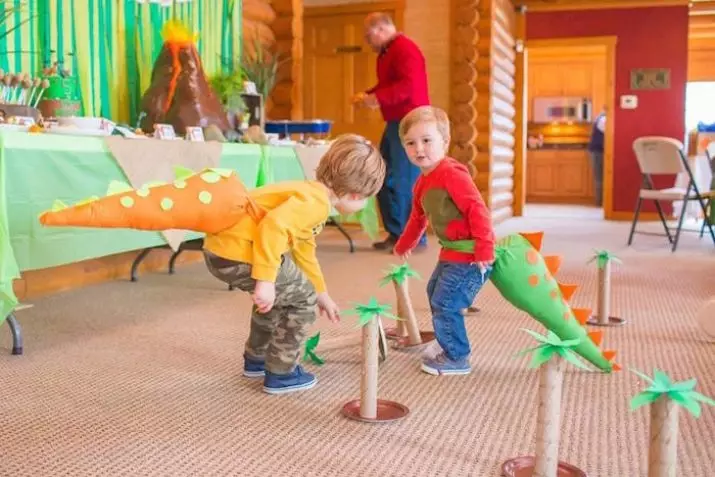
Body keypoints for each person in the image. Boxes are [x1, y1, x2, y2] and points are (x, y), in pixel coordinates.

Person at [203, 134, 386, 394]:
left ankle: (258, 358)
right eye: (366, 198)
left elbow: (304, 250)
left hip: (223, 250)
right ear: (354, 193)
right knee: (302, 300)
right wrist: (266, 281)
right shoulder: (316, 204)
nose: (364, 204)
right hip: (237, 252)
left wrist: (321, 292)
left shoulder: (309, 193)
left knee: (289, 293)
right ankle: (282, 372)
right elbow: (273, 226)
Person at [393, 106, 495, 376]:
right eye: (411, 143)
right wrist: (405, 244)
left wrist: (485, 248)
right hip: (451, 253)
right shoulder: (421, 183)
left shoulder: (452, 173)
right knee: (433, 291)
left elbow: (477, 209)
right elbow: (418, 219)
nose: (419, 149)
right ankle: (447, 340)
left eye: (427, 140)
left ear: (445, 142)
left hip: (472, 256)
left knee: (446, 301)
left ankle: (456, 356)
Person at [354, 12, 430, 253]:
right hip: (395, 121)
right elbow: (388, 85)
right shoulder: (386, 54)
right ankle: (396, 232)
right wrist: (368, 95)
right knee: (382, 176)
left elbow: (408, 87)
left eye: (369, 36)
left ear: (381, 29)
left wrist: (376, 98)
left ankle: (414, 238)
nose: (368, 42)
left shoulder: (405, 49)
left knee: (401, 179)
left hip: (410, 122)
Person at [588, 108, 606, 207]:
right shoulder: (604, 119)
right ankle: (600, 203)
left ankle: (601, 202)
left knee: (600, 178)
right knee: (599, 178)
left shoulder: (601, 118)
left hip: (597, 150)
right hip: (597, 151)